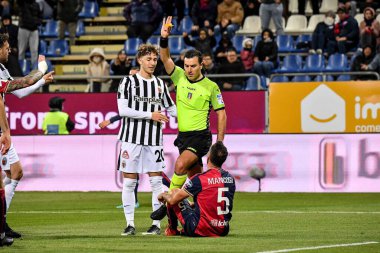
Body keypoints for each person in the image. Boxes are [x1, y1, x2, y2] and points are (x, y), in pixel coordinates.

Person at [151, 16, 227, 221]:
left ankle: (167, 203)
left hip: (201, 137)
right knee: (195, 179)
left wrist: (219, 141)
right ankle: (197, 214)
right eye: (186, 66)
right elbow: (166, 59)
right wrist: (163, 38)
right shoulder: (179, 77)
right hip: (183, 136)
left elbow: (221, 113)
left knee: (179, 166)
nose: (189, 69)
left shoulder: (211, 87)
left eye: (193, 66)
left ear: (201, 65)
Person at [117, 43, 177, 236]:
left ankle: (156, 225)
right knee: (129, 182)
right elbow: (123, 110)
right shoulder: (128, 82)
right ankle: (130, 224)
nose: (152, 63)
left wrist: (190, 120)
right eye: (149, 59)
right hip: (131, 138)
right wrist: (150, 114)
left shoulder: (160, 84)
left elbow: (172, 108)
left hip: (154, 139)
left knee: (156, 183)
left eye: (155, 59)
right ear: (140, 60)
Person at [0, 33, 54, 241]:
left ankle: (2, 222)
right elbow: (22, 83)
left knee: (16, 171)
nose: (9, 50)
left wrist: (41, 81)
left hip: (2, 131)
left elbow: (20, 92)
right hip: (0, 132)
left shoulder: (2, 69)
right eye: (6, 47)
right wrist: (40, 70)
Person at [158, 141, 235, 237]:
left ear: (208, 158)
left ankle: (172, 230)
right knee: (183, 199)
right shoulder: (230, 179)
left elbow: (173, 201)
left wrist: (164, 195)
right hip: (222, 230)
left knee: (174, 192)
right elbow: (216, 201)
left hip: (199, 229)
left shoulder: (200, 179)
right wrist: (193, 204)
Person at [16, 0, 42, 67]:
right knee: (21, 50)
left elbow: (40, 15)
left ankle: (34, 69)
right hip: (23, 28)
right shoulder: (22, 2)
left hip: (34, 29)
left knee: (34, 51)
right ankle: (21, 69)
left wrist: (37, 22)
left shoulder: (36, 4)